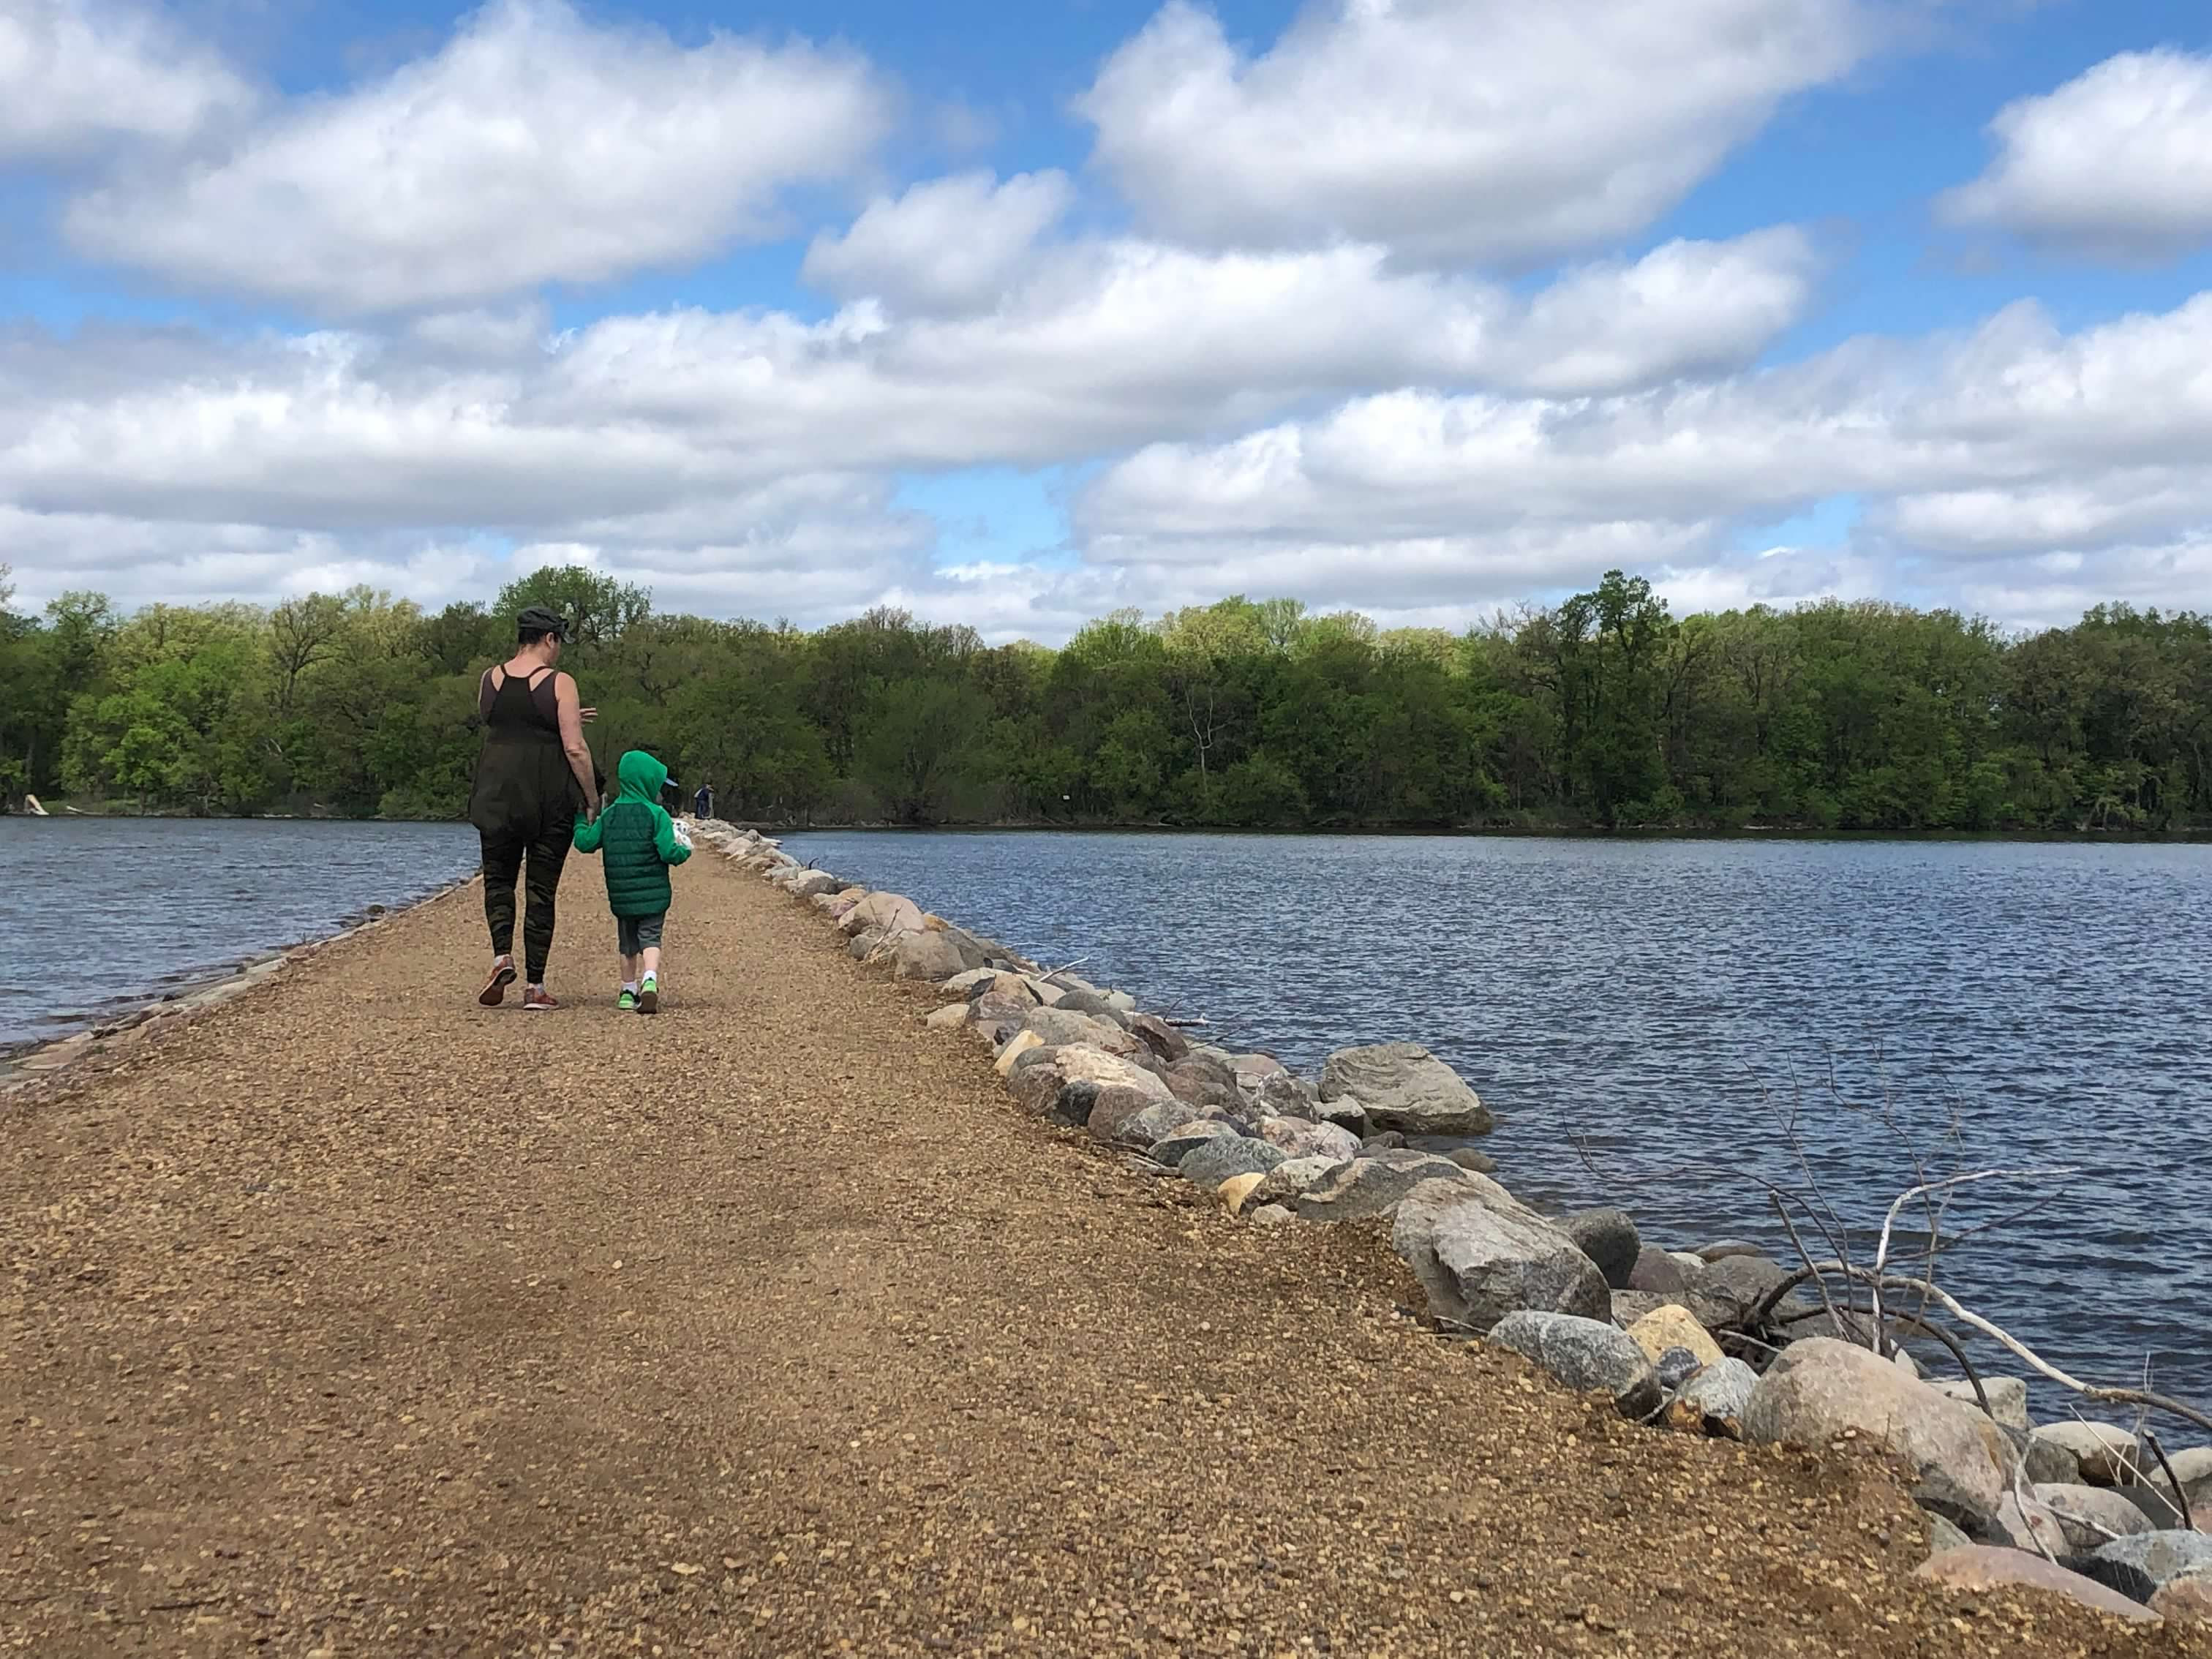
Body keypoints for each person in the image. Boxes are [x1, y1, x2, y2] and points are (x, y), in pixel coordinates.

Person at [467, 605, 599, 1011]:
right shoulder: (560, 682)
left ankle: (501, 957)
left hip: (496, 793)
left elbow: (504, 722)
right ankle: (535, 987)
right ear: (550, 639)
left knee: (498, 882)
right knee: (541, 890)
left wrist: (557, 720)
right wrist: (592, 797)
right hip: (546, 799)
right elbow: (574, 748)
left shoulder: (489, 679)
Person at [572, 749, 693, 1014]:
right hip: (653, 895)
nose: (659, 792)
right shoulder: (656, 814)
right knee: (651, 938)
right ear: (647, 782)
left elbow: (585, 843)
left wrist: (579, 820)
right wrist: (684, 851)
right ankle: (650, 979)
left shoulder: (610, 815)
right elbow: (668, 852)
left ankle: (628, 991)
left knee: (627, 945)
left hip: (622, 896)